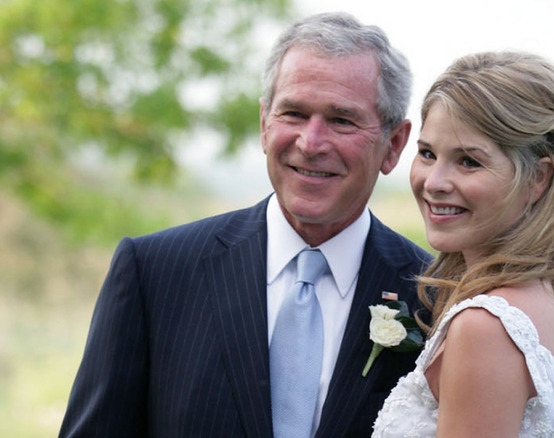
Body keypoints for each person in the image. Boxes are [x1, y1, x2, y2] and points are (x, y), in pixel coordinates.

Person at [59, 12, 432, 438]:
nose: (310, 144)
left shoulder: (433, 296)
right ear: (263, 123)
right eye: (292, 113)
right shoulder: (154, 273)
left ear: (394, 145)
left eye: (341, 120)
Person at [372, 51, 554, 437]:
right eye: (428, 153)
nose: (434, 182)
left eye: (468, 162)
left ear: (538, 178)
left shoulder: (486, 328)